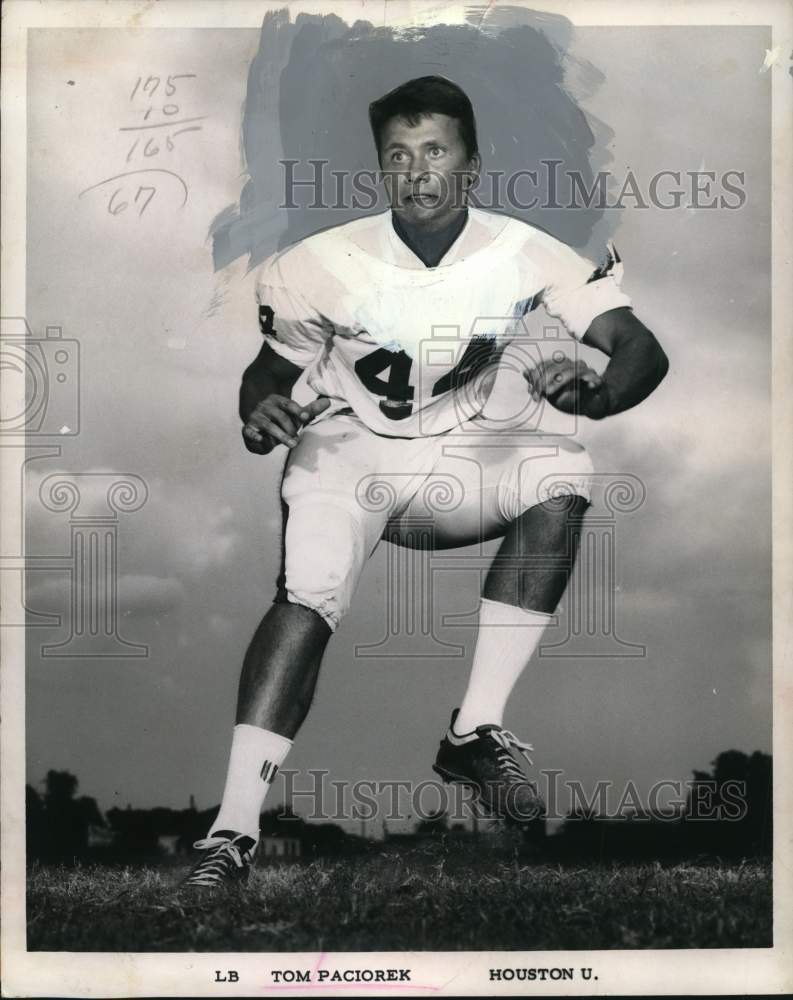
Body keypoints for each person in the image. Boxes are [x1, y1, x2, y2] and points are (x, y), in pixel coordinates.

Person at [182, 76, 668, 888]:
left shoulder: (525, 250)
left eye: (434, 151)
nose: (416, 170)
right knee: (307, 593)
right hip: (354, 453)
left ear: (470, 167)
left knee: (561, 470)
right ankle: (231, 831)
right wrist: (261, 409)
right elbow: (266, 373)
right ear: (381, 168)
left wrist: (604, 393)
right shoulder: (319, 264)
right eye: (398, 156)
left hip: (464, 457)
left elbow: (639, 348)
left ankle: (475, 730)